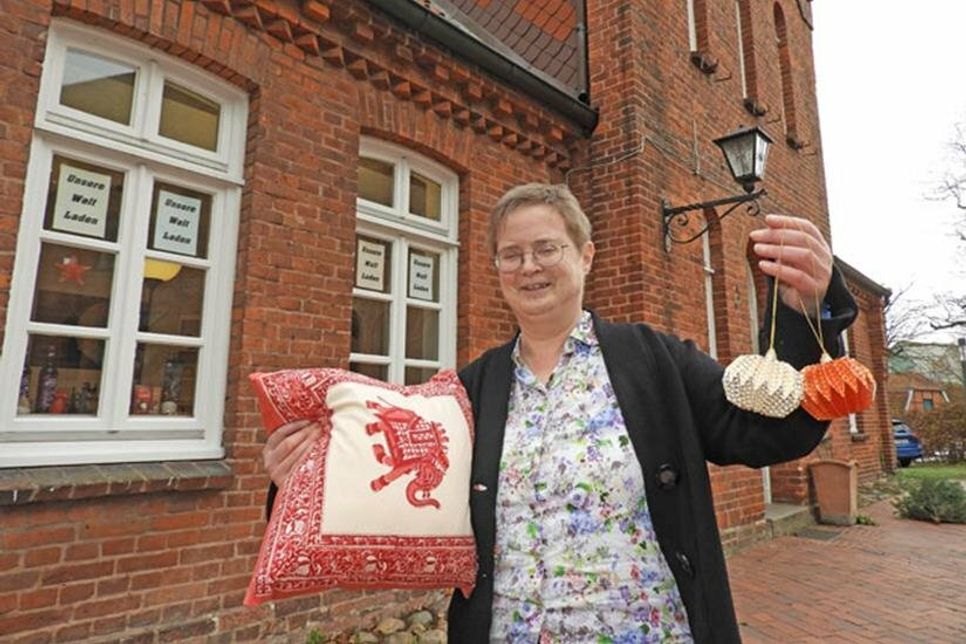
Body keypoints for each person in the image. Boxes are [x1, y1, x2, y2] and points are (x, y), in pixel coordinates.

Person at [263, 183, 856, 643]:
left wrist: (804, 309)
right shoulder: (469, 391)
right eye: (511, 254)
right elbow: (387, 485)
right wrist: (301, 474)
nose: (529, 266)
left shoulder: (655, 361)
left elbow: (769, 430)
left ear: (586, 255)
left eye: (548, 248)